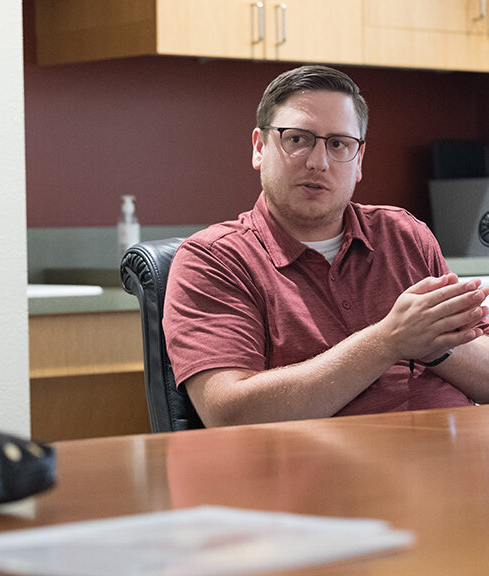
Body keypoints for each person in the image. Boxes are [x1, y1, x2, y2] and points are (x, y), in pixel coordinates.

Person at [163, 64, 489, 428]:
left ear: (359, 160)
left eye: (338, 144)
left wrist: (437, 348)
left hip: (454, 464)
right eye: (298, 139)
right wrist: (387, 342)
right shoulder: (212, 259)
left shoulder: (404, 234)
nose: (318, 163)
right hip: (321, 477)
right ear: (259, 147)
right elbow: (228, 413)